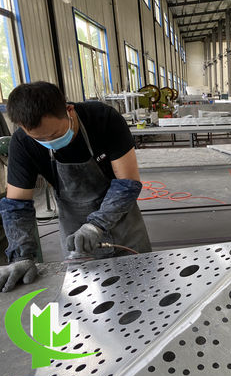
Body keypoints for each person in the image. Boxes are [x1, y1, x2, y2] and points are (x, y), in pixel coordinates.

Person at [0, 82, 151, 292]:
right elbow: (17, 205)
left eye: (54, 135)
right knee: (87, 294)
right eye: (39, 139)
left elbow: (127, 183)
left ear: (69, 110)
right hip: (74, 229)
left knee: (141, 287)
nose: (48, 141)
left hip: (124, 223)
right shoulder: (23, 143)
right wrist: (22, 255)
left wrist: (96, 225)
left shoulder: (103, 119)